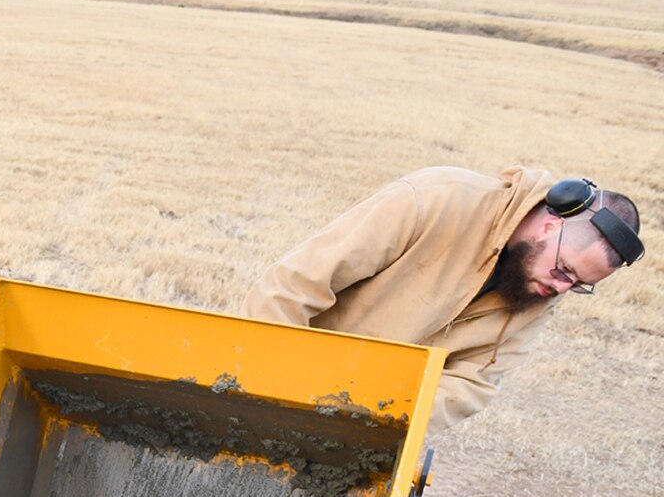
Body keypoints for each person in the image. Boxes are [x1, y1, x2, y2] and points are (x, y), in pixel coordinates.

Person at [245, 169, 642, 433]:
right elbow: (293, 287)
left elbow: (472, 383)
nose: (560, 289)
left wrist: (372, 423)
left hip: (363, 424)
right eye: (564, 270)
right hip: (278, 383)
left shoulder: (541, 285)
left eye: (578, 285)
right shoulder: (434, 201)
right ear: (551, 224)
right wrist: (265, 391)